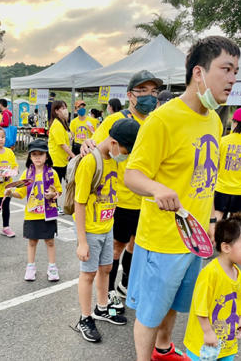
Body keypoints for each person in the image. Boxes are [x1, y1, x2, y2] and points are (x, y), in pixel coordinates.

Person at [124, 36, 241, 361]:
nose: (233, 79)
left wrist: (214, 220)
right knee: (149, 312)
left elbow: (205, 179)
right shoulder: (163, 119)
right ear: (199, 73)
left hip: (196, 238)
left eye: (236, 71)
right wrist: (158, 189)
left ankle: (163, 349)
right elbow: (132, 174)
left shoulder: (214, 120)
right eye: (226, 69)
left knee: (176, 303)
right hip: (162, 240)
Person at [82, 70, 163, 308]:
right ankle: (106, 294)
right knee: (116, 247)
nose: (150, 96)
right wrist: (87, 144)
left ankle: (125, 284)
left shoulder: (155, 122)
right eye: (144, 91)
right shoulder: (114, 119)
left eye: (154, 91)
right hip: (120, 198)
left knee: (136, 245)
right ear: (131, 95)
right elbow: (96, 146)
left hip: (146, 200)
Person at [72, 118, 139, 343]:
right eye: (125, 150)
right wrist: (82, 241)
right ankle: (85, 317)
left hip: (107, 225)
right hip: (90, 228)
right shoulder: (91, 162)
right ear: (113, 142)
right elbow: (79, 203)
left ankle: (102, 308)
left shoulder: (115, 160)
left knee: (107, 267)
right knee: (88, 273)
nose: (126, 155)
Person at [182, 215, 241, 361]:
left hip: (227, 341)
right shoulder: (210, 273)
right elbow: (200, 306)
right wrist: (208, 332)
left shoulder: (237, 272)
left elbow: (240, 299)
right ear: (226, 247)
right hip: (203, 341)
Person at [6, 138, 61, 282]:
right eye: (34, 154)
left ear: (46, 156)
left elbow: (59, 192)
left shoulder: (52, 173)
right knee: (32, 242)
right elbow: (21, 194)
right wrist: (11, 193)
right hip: (31, 214)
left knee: (50, 241)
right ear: (30, 157)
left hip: (48, 214)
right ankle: (30, 267)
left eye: (41, 154)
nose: (37, 157)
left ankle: (52, 267)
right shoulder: (26, 174)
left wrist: (53, 194)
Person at [48, 100, 73, 185]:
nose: (65, 110)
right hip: (56, 162)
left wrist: (69, 154)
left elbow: (66, 141)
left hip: (63, 161)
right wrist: (74, 156)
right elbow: (62, 144)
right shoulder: (56, 125)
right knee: (54, 189)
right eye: (63, 108)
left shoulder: (62, 123)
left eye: (66, 108)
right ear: (56, 111)